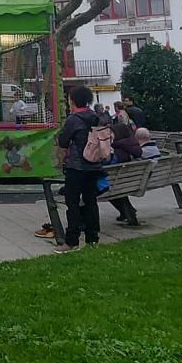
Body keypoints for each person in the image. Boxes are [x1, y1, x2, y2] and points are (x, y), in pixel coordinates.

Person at [54, 85, 104, 253]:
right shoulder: (97, 117)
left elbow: (63, 142)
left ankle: (71, 241)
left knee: (73, 204)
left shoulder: (73, 119)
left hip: (76, 167)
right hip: (94, 166)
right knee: (91, 202)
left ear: (73, 101)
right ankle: (93, 238)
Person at [105, 122, 143, 227]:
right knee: (118, 189)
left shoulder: (118, 151)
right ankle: (127, 212)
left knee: (108, 189)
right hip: (131, 182)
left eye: (112, 133)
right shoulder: (133, 147)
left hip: (116, 183)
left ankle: (128, 212)